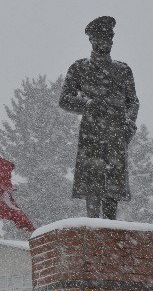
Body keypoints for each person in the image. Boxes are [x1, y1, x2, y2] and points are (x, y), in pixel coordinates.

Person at [59, 16, 139, 219]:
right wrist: (87, 104)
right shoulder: (79, 68)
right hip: (91, 136)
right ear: (92, 41)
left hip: (115, 136)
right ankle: (94, 228)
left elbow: (133, 102)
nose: (106, 42)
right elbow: (64, 99)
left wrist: (129, 125)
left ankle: (110, 231)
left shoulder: (123, 70)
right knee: (92, 188)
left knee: (113, 190)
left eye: (109, 39)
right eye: (101, 38)